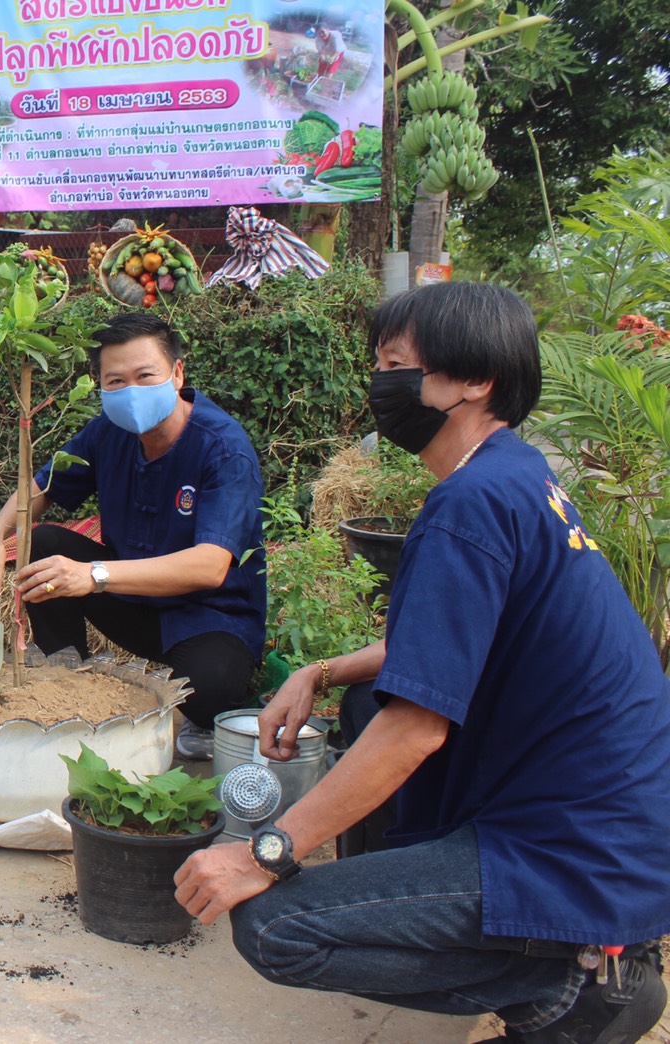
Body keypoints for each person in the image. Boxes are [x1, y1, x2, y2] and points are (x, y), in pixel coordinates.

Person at [173, 283, 670, 1043]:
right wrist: (321, 671)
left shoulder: (469, 504)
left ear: (475, 381)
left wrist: (265, 852)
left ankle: (572, 983)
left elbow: (416, 733)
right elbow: (441, 647)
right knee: (370, 701)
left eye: (397, 364)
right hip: (613, 823)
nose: (381, 384)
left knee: (276, 928)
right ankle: (550, 949)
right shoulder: (515, 474)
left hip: (570, 847)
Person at [0, 312, 265, 760]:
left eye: (145, 376)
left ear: (177, 373)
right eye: (115, 381)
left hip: (209, 616)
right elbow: (44, 486)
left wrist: (95, 574)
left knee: (209, 690)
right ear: (101, 386)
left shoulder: (222, 448)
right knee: (47, 544)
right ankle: (64, 675)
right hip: (135, 605)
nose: (131, 392)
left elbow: (210, 566)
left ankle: (224, 708)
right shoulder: (110, 432)